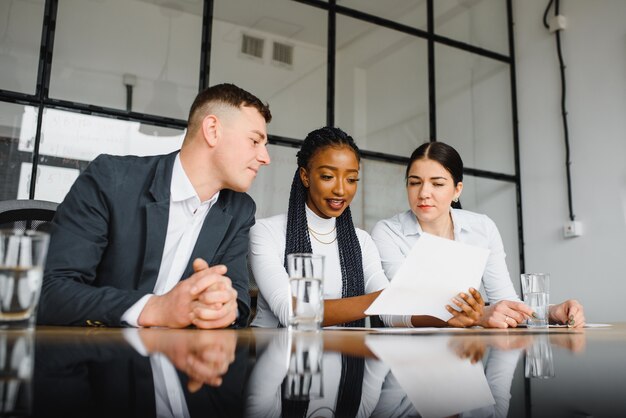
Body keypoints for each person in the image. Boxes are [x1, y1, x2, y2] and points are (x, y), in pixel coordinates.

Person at [38, 83, 272, 329]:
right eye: (255, 141)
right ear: (212, 130)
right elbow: (51, 291)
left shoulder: (240, 210)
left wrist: (224, 308)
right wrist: (154, 309)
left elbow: (239, 303)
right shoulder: (111, 180)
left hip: (182, 358)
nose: (265, 157)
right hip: (92, 356)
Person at [249, 127, 482, 328]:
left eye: (351, 179)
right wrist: (389, 298)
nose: (341, 190)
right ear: (306, 176)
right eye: (328, 176)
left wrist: (446, 317)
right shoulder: (267, 233)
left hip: (345, 366)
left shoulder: (361, 241)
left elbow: (390, 314)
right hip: (278, 362)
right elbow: (292, 312)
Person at [371, 141, 586, 328]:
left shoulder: (482, 228)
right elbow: (392, 311)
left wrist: (549, 312)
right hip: (406, 358)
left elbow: (504, 301)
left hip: (465, 353)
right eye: (414, 182)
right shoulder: (388, 232)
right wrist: (476, 316)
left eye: (437, 183)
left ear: (457, 190)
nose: (424, 193)